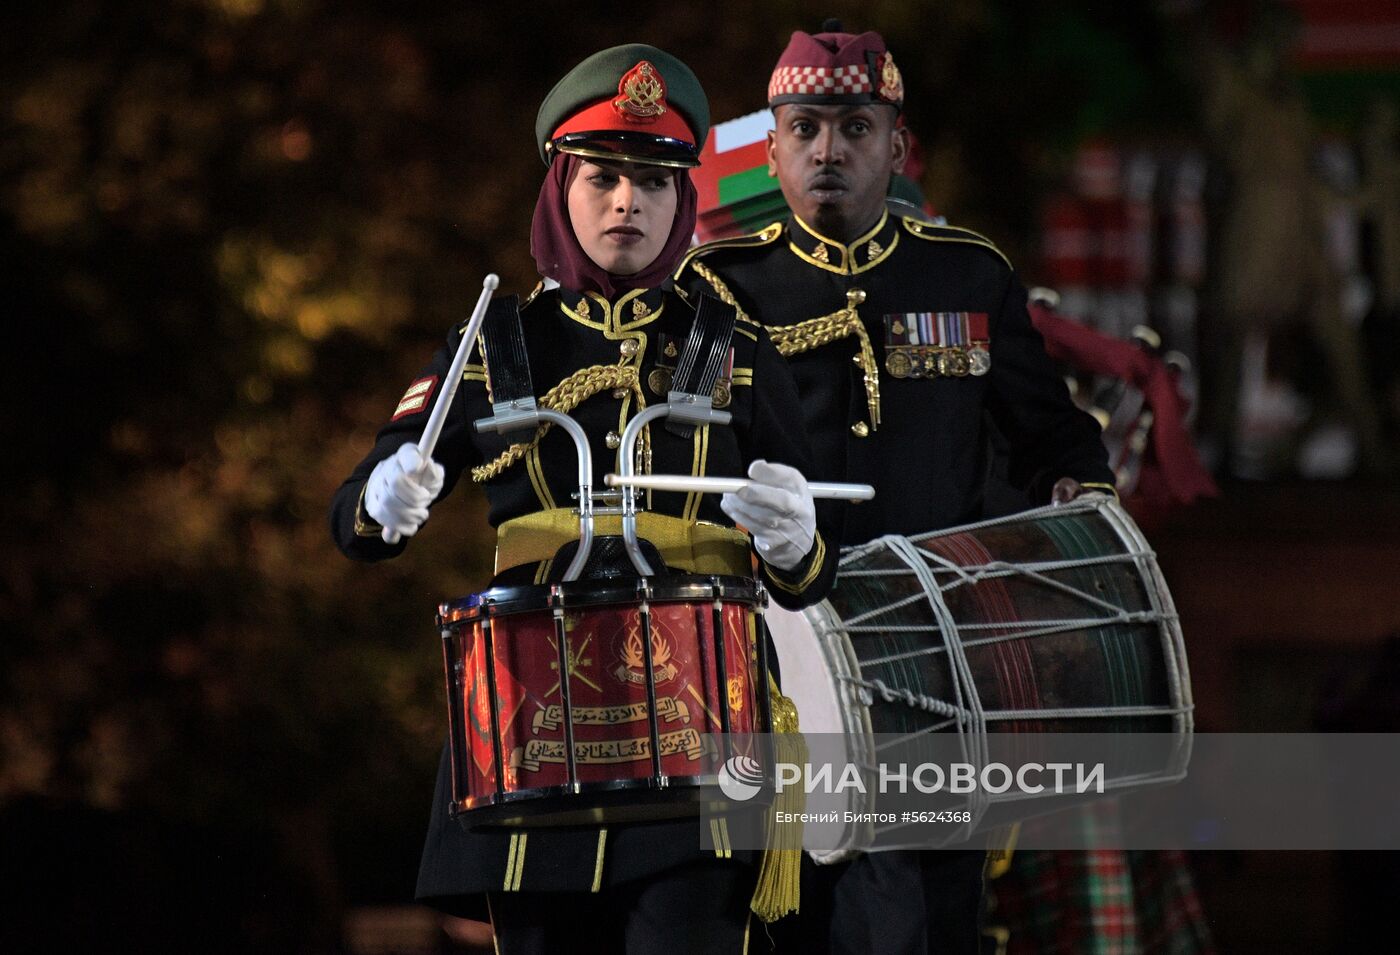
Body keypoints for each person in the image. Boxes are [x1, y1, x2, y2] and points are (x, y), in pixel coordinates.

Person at [330, 44, 837, 954]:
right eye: (603, 176)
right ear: (560, 185)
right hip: (534, 730)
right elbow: (356, 526)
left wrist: (798, 544)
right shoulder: (495, 342)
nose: (626, 204)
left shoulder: (739, 344)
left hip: (702, 731)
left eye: (653, 181)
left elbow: (810, 574)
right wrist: (382, 497)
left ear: (684, 198)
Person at [675, 25, 1116, 955]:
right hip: (777, 661)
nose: (828, 150)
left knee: (936, 915)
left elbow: (1047, 432)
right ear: (772, 148)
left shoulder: (967, 273)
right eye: (803, 128)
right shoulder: (720, 287)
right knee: (800, 916)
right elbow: (686, 459)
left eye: (854, 127)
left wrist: (1078, 484)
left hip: (936, 657)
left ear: (897, 146)